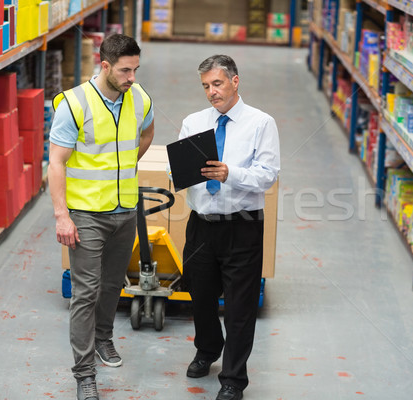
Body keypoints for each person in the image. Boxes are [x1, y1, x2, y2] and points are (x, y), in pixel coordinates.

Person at [48, 33, 154, 400]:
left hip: (125, 209)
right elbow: (56, 162)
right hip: (85, 215)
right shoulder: (74, 104)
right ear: (105, 66)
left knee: (112, 285)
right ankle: (84, 374)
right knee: (86, 293)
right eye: (125, 71)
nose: (132, 78)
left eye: (136, 69)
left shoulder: (138, 97)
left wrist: (124, 167)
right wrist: (62, 215)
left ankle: (104, 339)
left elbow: (148, 130)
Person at [178, 54, 280, 400]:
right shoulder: (194, 122)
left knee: (240, 306)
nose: (211, 92)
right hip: (201, 226)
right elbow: (175, 171)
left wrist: (229, 174)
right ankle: (208, 349)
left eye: (217, 83)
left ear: (235, 82)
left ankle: (234, 377)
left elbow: (267, 176)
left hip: (243, 227)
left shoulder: (261, 123)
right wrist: (182, 170)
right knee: (200, 294)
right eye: (206, 86)